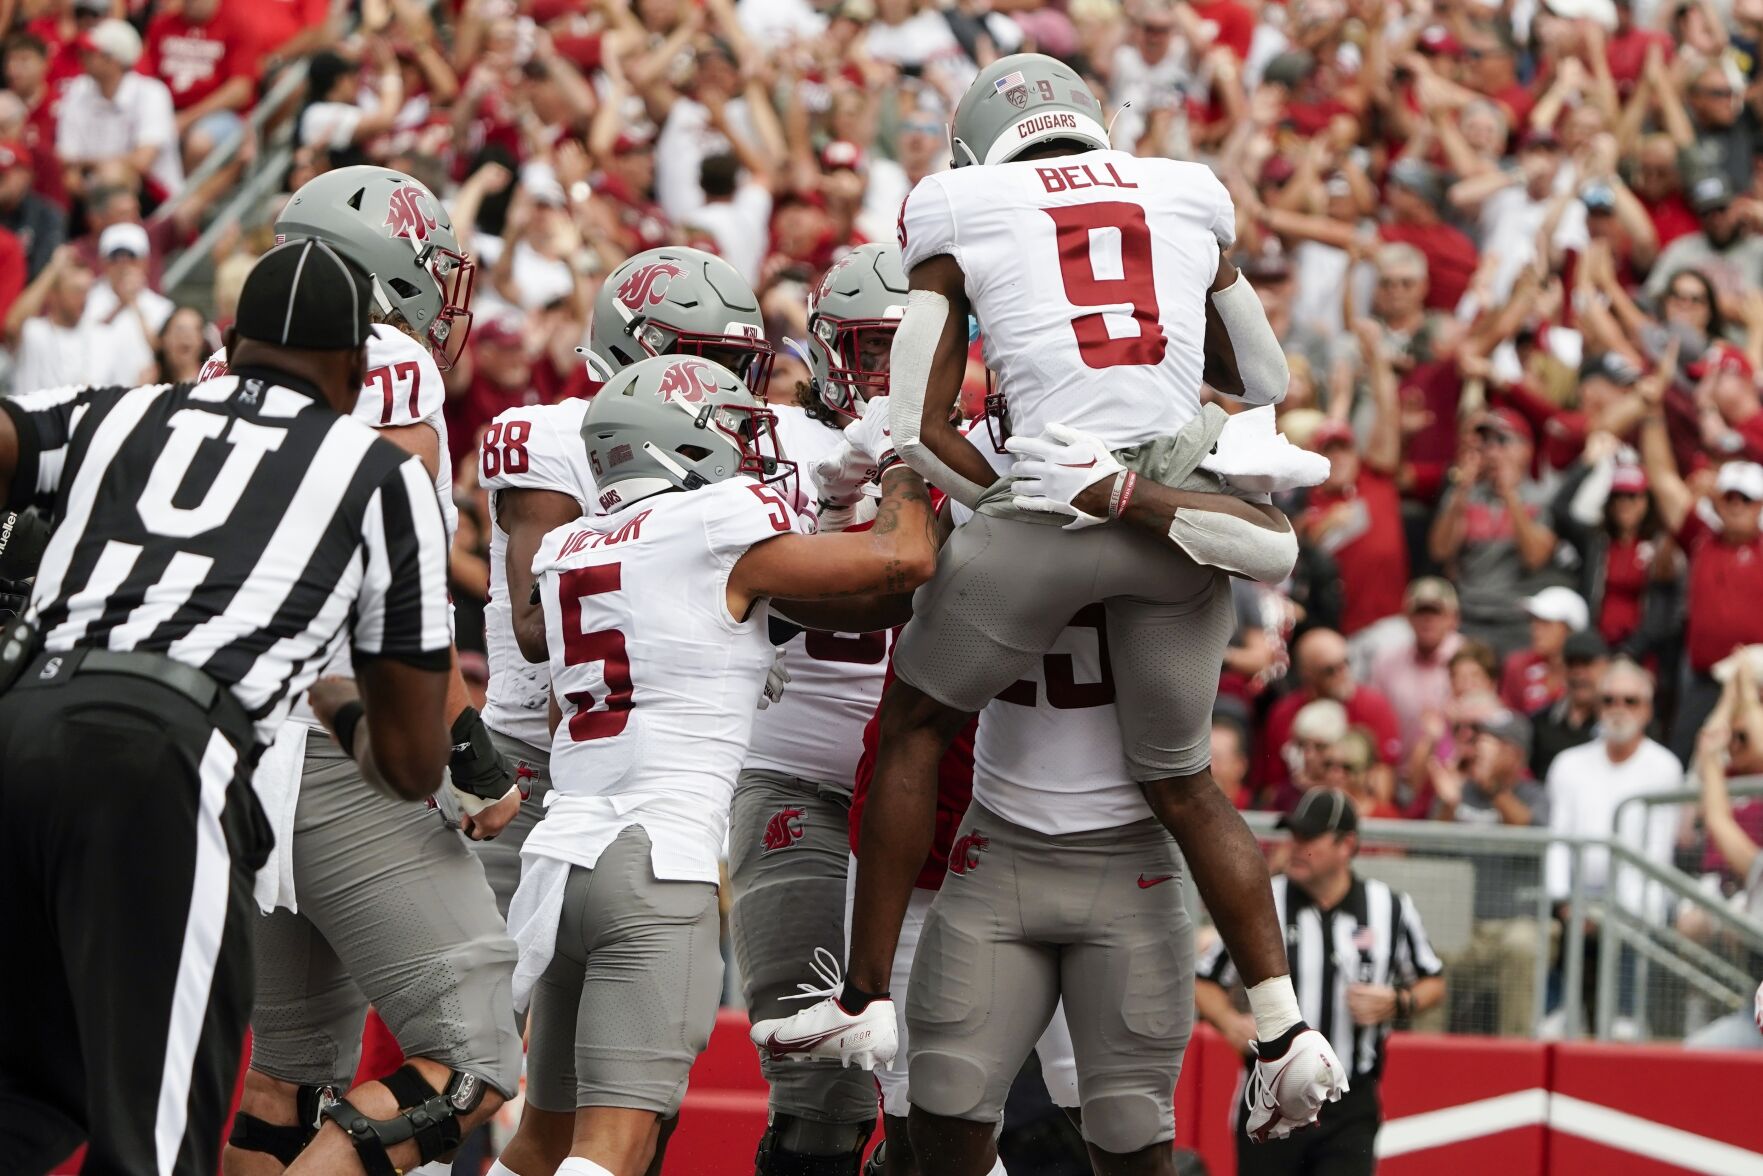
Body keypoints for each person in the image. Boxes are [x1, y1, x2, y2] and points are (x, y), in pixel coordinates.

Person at [760, 52, 1345, 1153]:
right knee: (1186, 779)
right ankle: (1281, 1029)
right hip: (1164, 524)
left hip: (1028, 615)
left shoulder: (957, 211)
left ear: (977, 147)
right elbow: (1263, 382)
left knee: (912, 727)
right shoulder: (1187, 189)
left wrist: (989, 496)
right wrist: (1133, 484)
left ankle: (863, 996)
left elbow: (916, 423)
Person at [0, 238, 454, 1176]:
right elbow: (415, 761)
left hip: (20, 721)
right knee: (156, 1140)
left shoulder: (126, 411)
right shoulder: (378, 474)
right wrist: (340, 706)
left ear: (230, 341)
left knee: (31, 1098)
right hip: (164, 758)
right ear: (356, 369)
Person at [491, 354, 939, 1176]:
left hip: (560, 862)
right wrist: (897, 460)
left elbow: (566, 711)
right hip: (655, 865)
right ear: (675, 443)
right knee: (614, 1147)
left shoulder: (564, 548)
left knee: (542, 1141)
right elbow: (905, 561)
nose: (744, 448)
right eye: (727, 429)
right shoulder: (712, 522)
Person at [212, 167, 525, 1176]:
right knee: (475, 1058)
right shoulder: (385, 358)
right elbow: (399, 578)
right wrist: (468, 757)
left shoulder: (226, 373)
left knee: (289, 1075)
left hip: (237, 744)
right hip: (337, 742)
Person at [473, 244, 777, 919]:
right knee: (483, 978)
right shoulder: (555, 437)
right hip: (531, 768)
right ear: (639, 349)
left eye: (735, 363)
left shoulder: (730, 454)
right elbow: (537, 631)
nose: (725, 382)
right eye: (707, 358)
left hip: (660, 777)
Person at [729, 244, 905, 1176]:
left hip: (926, 791)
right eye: (873, 349)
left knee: (941, 1096)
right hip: (799, 774)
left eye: (912, 347)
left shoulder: (968, 447)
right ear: (831, 349)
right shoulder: (765, 442)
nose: (891, 372)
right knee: (821, 1090)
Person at [1194, 790, 1445, 1176]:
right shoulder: (1262, 901)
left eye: (1309, 837)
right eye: (1293, 835)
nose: (1295, 846)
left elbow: (1433, 981)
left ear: (1347, 845)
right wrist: (1230, 1023)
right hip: (1272, 1099)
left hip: (1349, 1103)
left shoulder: (1390, 908)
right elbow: (1203, 981)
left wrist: (1398, 1001)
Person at [1544, 659, 1682, 1026]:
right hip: (1575, 899)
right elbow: (1558, 841)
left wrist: (1607, 909)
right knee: (1543, 925)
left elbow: (1657, 852)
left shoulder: (1665, 767)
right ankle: (1556, 1015)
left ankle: (1626, 1016)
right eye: (1609, 700)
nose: (1618, 709)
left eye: (1630, 701)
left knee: (1637, 920)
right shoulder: (1568, 764)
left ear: (1648, 710)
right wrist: (1564, 899)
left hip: (1637, 899)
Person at [1429, 709, 1551, 1036]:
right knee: (1430, 946)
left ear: (1516, 754)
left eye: (1493, 742)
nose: (1481, 747)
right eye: (1481, 740)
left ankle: (1517, 1054)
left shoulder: (1534, 794)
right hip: (1462, 925)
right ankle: (1425, 1053)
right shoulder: (1460, 789)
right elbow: (1430, 849)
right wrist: (1449, 803)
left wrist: (1494, 789)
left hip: (1515, 923)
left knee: (1522, 946)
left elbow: (1532, 835)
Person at [1529, 630, 1610, 780]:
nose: (1578, 673)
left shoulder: (1617, 724)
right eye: (1571, 664)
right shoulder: (1540, 723)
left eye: (1586, 663)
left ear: (1606, 666)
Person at [1499, 587, 1589, 715]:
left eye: (1545, 623)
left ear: (1570, 631)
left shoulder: (1587, 675)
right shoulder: (1517, 666)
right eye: (1534, 621)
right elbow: (1507, 717)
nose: (1535, 630)